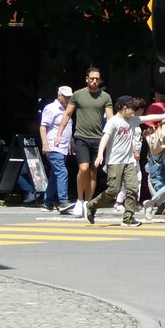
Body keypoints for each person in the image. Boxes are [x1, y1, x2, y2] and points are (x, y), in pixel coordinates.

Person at [84, 96, 165, 226]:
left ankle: (128, 217)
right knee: (113, 190)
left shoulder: (132, 120)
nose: (134, 111)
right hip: (114, 162)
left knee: (133, 188)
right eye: (132, 108)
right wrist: (100, 155)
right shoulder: (113, 122)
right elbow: (105, 137)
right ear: (124, 108)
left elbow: (148, 118)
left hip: (129, 161)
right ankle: (92, 205)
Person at [56, 65, 113, 219]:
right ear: (87, 79)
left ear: (100, 80)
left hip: (98, 139)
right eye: (92, 78)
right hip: (81, 136)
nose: (94, 81)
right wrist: (59, 134)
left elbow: (111, 119)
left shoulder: (105, 97)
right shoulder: (78, 95)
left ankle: (89, 203)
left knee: (93, 173)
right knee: (83, 169)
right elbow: (68, 114)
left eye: (97, 79)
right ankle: (79, 200)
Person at [142, 80, 165, 220]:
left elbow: (150, 128)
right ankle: (163, 204)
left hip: (157, 145)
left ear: (156, 94)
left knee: (155, 175)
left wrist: (145, 138)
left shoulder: (154, 107)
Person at [39, 85, 75, 213]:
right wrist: (45, 144)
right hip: (54, 146)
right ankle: (63, 201)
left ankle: (47, 202)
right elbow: (43, 127)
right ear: (59, 96)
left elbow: (67, 129)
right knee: (62, 172)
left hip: (64, 147)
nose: (68, 99)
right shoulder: (51, 108)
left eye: (70, 97)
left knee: (55, 174)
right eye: (65, 97)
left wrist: (72, 143)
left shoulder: (68, 109)